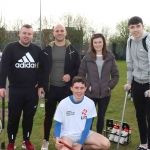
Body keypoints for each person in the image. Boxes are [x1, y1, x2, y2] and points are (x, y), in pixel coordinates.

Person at [38, 23, 80, 150]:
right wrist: (41, 86)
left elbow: (78, 68)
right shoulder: (46, 50)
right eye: (57, 31)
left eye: (62, 30)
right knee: (49, 115)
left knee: (66, 115)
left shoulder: (72, 50)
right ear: (53, 33)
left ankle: (64, 139)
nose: (60, 33)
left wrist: (70, 75)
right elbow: (41, 69)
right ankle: (46, 140)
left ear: (65, 32)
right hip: (51, 89)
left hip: (65, 89)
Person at [0, 24, 42, 150]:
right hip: (15, 89)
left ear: (32, 36)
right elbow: (3, 68)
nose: (26, 36)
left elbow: (43, 68)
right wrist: (2, 86)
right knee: (14, 117)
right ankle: (11, 142)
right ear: (19, 33)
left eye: (29, 34)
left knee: (28, 117)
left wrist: (40, 83)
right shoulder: (10, 48)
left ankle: (26, 140)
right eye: (24, 33)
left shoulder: (37, 50)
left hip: (31, 91)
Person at [54, 76, 110, 150]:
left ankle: (83, 147)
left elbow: (87, 126)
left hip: (84, 134)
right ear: (71, 88)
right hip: (67, 135)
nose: (79, 91)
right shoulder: (63, 103)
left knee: (106, 144)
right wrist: (57, 137)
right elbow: (58, 124)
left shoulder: (90, 103)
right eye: (76, 88)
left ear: (85, 89)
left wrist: (79, 145)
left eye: (82, 88)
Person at [78, 33, 119, 134]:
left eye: (100, 42)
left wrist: (109, 86)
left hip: (105, 94)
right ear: (92, 44)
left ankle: (99, 137)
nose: (97, 44)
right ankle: (87, 138)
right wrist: (88, 86)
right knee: (89, 118)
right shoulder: (87, 58)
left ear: (103, 43)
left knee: (101, 117)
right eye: (95, 42)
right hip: (90, 94)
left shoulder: (110, 57)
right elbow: (81, 74)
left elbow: (116, 75)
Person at [124, 16, 150, 150]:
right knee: (140, 114)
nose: (135, 30)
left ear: (143, 26)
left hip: (149, 83)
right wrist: (129, 82)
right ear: (129, 29)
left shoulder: (148, 39)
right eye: (132, 27)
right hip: (137, 83)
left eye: (137, 26)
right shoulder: (129, 41)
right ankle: (143, 144)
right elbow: (130, 63)